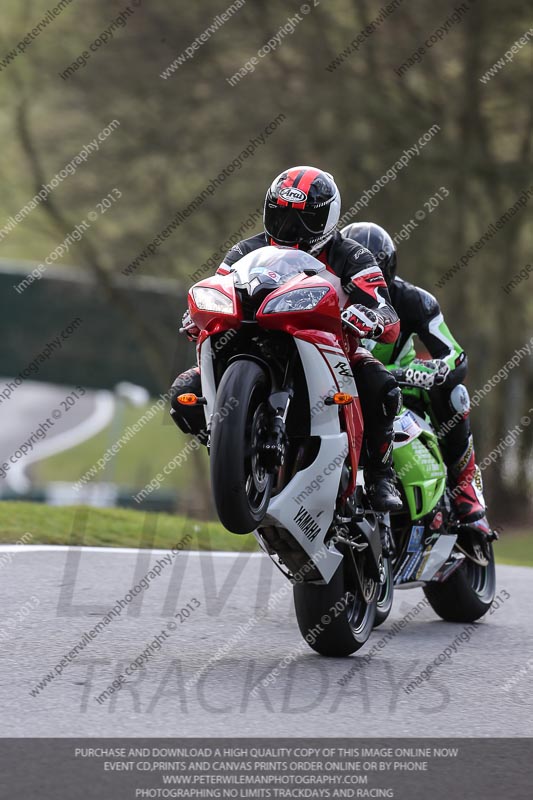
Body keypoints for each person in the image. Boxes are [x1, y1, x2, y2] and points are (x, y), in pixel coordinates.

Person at [171, 166, 403, 511]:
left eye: (304, 219)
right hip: (254, 338)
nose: (290, 228)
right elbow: (221, 285)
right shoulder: (244, 250)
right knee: (182, 394)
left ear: (328, 218)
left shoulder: (352, 254)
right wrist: (200, 313)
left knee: (381, 386)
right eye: (281, 215)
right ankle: (230, 446)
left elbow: (381, 302)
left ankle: (379, 475)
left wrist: (371, 314)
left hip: (332, 348)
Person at [341, 221, 490, 534]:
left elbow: (454, 356)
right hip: (342, 385)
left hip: (402, 386)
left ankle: (464, 484)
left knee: (454, 394)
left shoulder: (414, 301)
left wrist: (418, 372)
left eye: (372, 272)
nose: (362, 283)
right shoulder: (326, 291)